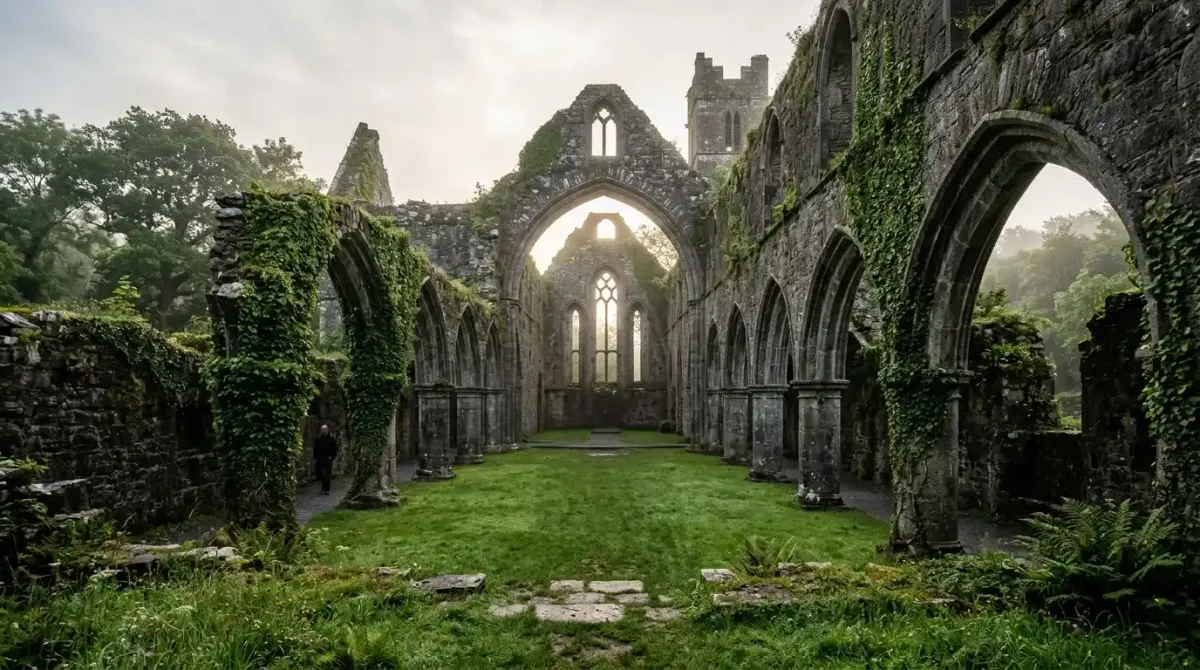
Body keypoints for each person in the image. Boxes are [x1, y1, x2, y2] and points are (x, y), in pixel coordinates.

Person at [314, 424, 339, 495]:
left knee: (327, 474)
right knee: (321, 474)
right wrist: (315, 458)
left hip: (328, 459)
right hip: (320, 459)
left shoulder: (331, 438)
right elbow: (315, 448)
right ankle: (323, 487)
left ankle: (327, 489)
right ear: (321, 430)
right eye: (322, 429)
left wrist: (332, 457)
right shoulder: (319, 438)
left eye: (325, 429)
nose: (324, 431)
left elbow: (335, 448)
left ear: (327, 429)